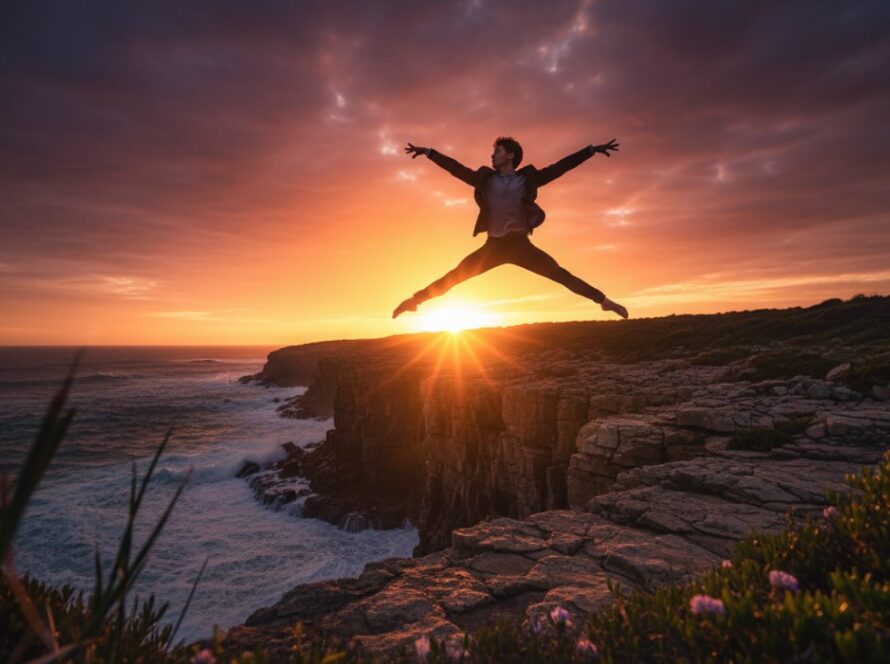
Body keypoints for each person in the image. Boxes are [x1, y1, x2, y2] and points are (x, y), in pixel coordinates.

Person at [393, 136, 629, 319]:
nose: (492, 155)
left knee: (560, 275)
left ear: (511, 155)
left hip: (521, 247)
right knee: (455, 276)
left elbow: (561, 167)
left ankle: (604, 302)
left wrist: (589, 151)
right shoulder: (485, 179)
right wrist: (429, 153)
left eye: (497, 151)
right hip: (493, 247)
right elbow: (456, 169)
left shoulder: (528, 179)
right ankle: (415, 302)